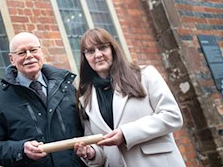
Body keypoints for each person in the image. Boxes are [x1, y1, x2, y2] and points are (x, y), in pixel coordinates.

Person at [73, 28, 185, 166]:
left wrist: (125, 134)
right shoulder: (85, 98)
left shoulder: (145, 75)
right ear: (85, 57)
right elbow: (100, 148)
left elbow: (172, 116)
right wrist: (91, 153)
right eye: (90, 51)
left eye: (102, 48)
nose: (98, 55)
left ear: (113, 49)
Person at [0, 32, 86, 167]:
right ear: (12, 59)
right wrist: (21, 149)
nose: (29, 56)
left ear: (41, 52)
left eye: (33, 50)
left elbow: (85, 129)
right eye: (21, 53)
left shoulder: (66, 88)